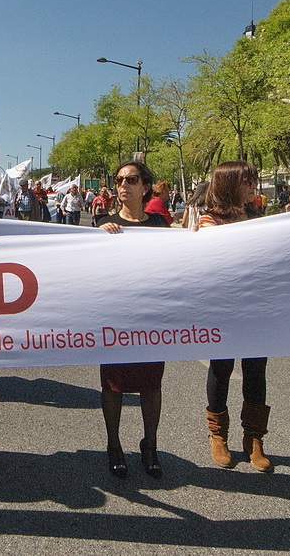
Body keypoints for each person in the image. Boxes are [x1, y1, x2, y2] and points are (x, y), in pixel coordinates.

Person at [198, 161, 273, 473]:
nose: (253, 187)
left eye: (253, 181)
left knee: (256, 371)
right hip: (223, 308)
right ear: (229, 184)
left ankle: (254, 439)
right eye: (246, 181)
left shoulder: (258, 217)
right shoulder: (209, 220)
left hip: (256, 307)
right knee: (222, 368)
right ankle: (218, 435)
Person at [98, 160, 170, 479]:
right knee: (113, 384)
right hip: (116, 316)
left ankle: (150, 445)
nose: (123, 185)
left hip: (150, 316)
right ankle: (114, 445)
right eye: (119, 180)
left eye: (131, 179)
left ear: (145, 187)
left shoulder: (159, 225)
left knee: (151, 384)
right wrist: (98, 237)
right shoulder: (105, 224)